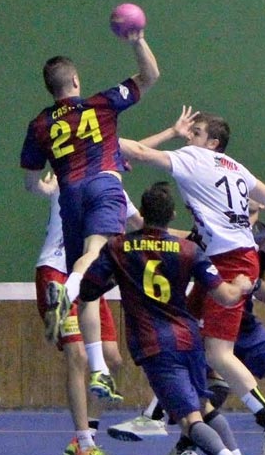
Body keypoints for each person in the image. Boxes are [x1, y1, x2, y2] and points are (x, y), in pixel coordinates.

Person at [117, 109, 265, 455]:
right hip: (222, 258)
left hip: (230, 262)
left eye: (196, 132)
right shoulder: (236, 168)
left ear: (212, 143)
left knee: (217, 354)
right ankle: (155, 415)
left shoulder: (194, 158)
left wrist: (94, 138)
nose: (189, 136)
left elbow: (138, 151)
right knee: (183, 333)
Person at [78, 182, 260, 455]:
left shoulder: (118, 247)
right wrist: (242, 285)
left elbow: (88, 290)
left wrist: (121, 279)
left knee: (190, 420)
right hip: (189, 339)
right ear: (172, 215)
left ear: (142, 212)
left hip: (156, 345)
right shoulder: (190, 250)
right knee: (204, 407)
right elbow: (226, 296)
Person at [110, 199, 265, 455]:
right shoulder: (210, 234)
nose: (244, 215)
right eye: (240, 210)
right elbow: (165, 235)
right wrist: (133, 217)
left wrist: (249, 281)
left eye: (250, 210)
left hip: (245, 324)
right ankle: (181, 444)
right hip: (205, 317)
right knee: (209, 388)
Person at [20, 27, 160, 403]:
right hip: (103, 185)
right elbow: (150, 76)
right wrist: (137, 40)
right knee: (95, 252)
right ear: (76, 81)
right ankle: (67, 289)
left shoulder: (40, 125)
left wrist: (45, 189)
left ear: (50, 88)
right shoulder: (102, 104)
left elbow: (31, 182)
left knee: (89, 287)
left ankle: (99, 370)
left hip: (70, 195)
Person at [33, 173, 142, 455]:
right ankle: (84, 445)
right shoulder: (69, 176)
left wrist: (198, 236)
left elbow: (145, 226)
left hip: (89, 282)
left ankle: (86, 437)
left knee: (113, 360)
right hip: (56, 271)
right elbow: (38, 186)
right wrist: (43, 185)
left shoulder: (114, 191)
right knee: (78, 356)